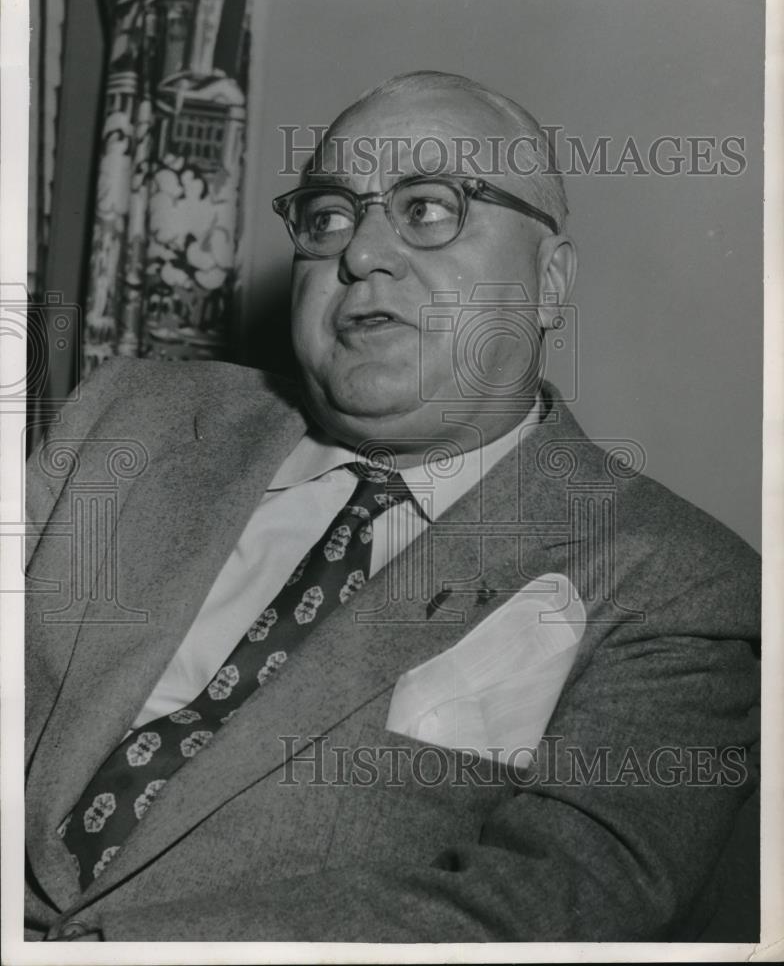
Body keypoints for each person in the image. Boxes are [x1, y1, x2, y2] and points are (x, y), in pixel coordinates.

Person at [24, 71, 760, 942]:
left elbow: (552, 907)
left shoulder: (676, 580)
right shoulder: (128, 419)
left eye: (427, 207)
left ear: (551, 282)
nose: (361, 252)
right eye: (330, 214)